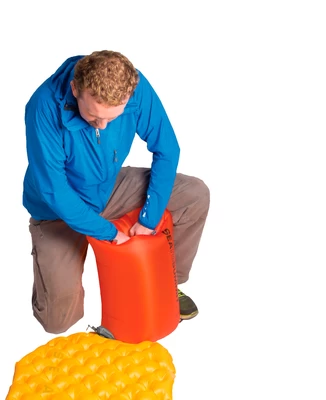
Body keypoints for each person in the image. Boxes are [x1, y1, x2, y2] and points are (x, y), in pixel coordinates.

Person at [22, 50, 210, 334]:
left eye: (112, 118)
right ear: (75, 88)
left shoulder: (133, 86)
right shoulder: (43, 106)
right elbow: (55, 190)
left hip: (107, 189)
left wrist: (149, 219)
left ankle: (168, 281)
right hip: (56, 210)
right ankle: (49, 268)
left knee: (193, 195)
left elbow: (167, 149)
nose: (102, 125)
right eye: (93, 116)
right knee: (57, 322)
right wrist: (108, 232)